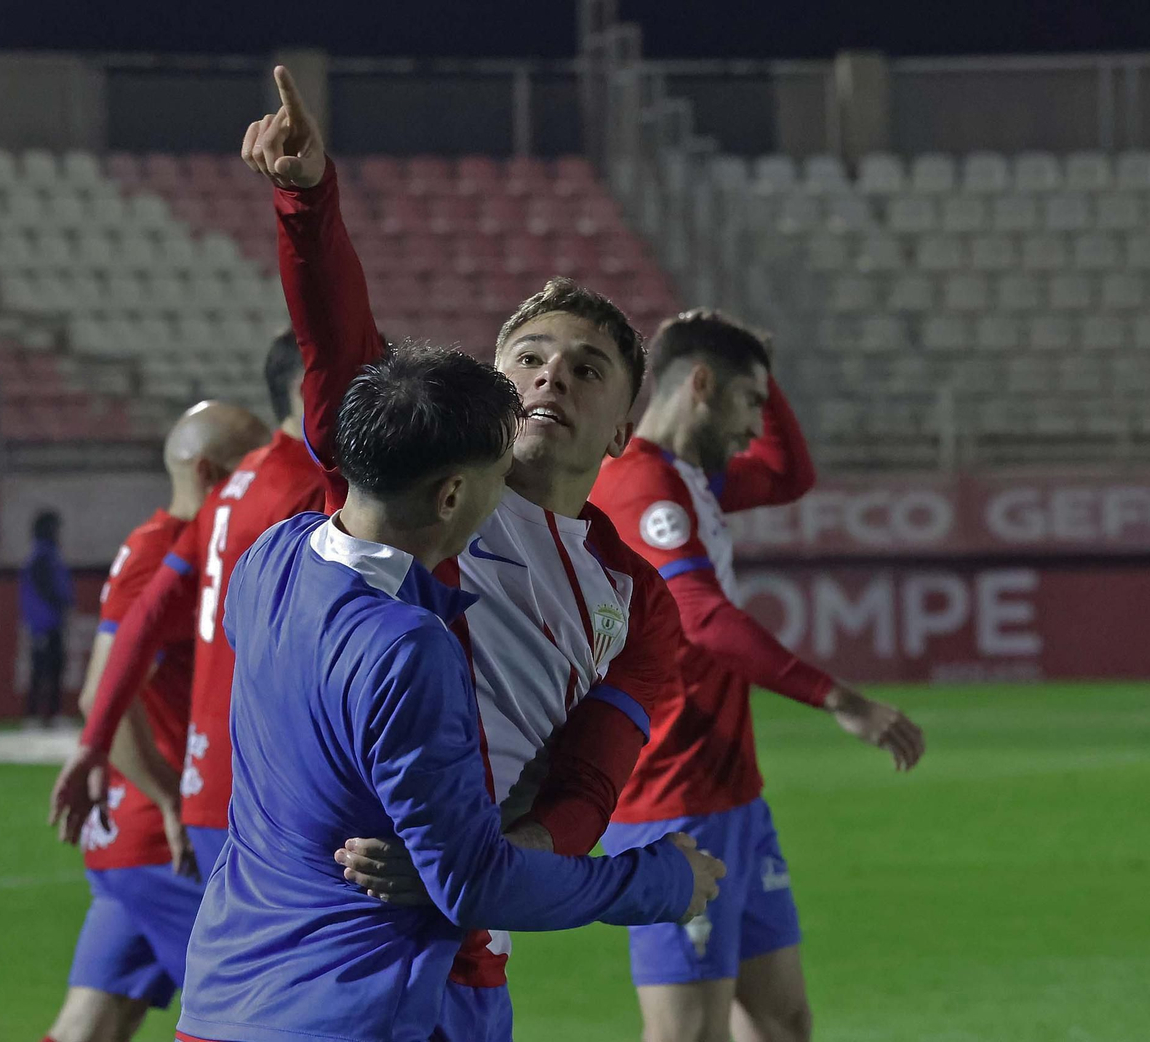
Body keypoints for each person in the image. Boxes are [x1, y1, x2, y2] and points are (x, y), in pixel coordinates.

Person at [241, 66, 691, 1040]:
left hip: (466, 946)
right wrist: (307, 200)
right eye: (527, 357)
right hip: (331, 930)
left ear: (623, 431)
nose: (549, 377)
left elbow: (588, 785)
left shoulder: (639, 601)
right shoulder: (417, 498)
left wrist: (480, 861)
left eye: (586, 368)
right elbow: (340, 350)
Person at [176, 342, 723, 1042]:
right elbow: (475, 884)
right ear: (453, 495)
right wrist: (662, 883)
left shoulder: (274, 556)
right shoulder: (408, 647)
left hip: (222, 999)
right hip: (353, 1009)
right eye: (498, 477)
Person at [589, 310, 927, 1042]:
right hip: (671, 797)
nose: (755, 424)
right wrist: (838, 698)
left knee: (781, 1021)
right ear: (701, 386)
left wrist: (762, 375)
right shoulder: (641, 487)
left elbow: (787, 474)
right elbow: (701, 614)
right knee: (690, 1033)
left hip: (731, 791)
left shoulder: (688, 478)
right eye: (748, 401)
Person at [58, 330, 327, 878]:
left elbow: (145, 618)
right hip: (272, 796)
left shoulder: (233, 491)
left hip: (207, 789)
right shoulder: (314, 487)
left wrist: (93, 743)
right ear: (311, 387)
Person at [42, 401, 268, 1042]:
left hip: (130, 839)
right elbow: (99, 699)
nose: (257, 479)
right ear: (207, 471)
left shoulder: (166, 545)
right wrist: (171, 798)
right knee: (249, 1013)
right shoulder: (164, 553)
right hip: (160, 839)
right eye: (246, 467)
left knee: (93, 1023)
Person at [21, 509, 74, 729]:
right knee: (42, 669)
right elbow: (47, 588)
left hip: (51, 621)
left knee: (55, 668)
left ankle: (51, 714)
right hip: (43, 622)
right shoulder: (41, 556)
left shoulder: (50, 554)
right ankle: (33, 715)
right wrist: (63, 604)